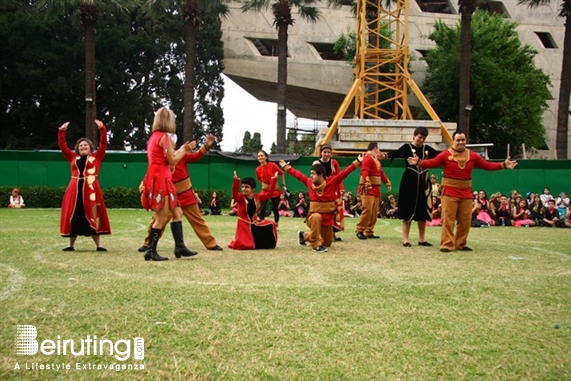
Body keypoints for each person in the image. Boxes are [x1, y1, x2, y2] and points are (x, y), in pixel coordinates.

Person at [407, 131, 517, 252]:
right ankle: (446, 244)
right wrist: (418, 162)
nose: (461, 142)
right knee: (448, 219)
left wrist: (503, 165)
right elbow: (431, 163)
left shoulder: (473, 156)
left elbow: (487, 165)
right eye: (458, 140)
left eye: (463, 140)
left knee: (465, 220)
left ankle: (461, 244)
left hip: (466, 192)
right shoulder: (445, 154)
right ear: (453, 141)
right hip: (449, 192)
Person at [138, 134, 223, 253]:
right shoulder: (160, 157)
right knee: (158, 219)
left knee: (197, 219)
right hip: (168, 193)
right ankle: (149, 244)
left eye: (170, 142)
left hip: (185, 192)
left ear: (174, 144)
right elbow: (153, 172)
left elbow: (196, 156)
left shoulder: (181, 154)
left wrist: (206, 146)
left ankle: (211, 243)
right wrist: (144, 185)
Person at [140, 107, 195, 261]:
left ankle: (180, 246)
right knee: (162, 216)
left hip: (157, 177)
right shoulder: (165, 137)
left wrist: (183, 149)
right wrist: (185, 150)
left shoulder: (153, 137)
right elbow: (173, 161)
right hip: (162, 179)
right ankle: (150, 250)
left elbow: (168, 159)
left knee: (177, 212)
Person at [279, 155, 363, 252]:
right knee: (316, 216)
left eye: (313, 174)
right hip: (314, 218)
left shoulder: (332, 181)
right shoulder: (309, 182)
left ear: (321, 175)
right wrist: (286, 167)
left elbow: (344, 173)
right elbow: (298, 175)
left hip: (327, 219)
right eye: (311, 173)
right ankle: (316, 245)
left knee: (327, 243)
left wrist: (357, 162)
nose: (311, 176)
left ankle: (304, 236)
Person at [58, 120, 111, 251]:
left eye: (85, 145)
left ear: (90, 147)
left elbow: (103, 144)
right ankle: (71, 245)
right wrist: (62, 132)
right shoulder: (72, 158)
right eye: (80, 146)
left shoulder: (97, 157)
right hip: (74, 191)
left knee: (93, 214)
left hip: (91, 191)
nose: (83, 147)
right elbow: (63, 146)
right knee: (74, 215)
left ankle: (99, 245)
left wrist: (102, 129)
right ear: (77, 148)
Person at [384, 127, 440, 246]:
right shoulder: (407, 147)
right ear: (414, 136)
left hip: (424, 182)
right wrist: (383, 155)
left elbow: (440, 155)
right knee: (408, 210)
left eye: (424, 138)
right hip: (409, 181)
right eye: (420, 137)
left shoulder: (426, 149)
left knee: (423, 210)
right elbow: (394, 154)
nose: (421, 140)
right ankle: (405, 240)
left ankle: (422, 239)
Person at [228, 171, 278, 250]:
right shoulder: (241, 198)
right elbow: (234, 194)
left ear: (253, 189)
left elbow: (269, 194)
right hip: (244, 226)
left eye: (247, 187)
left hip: (255, 223)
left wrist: (274, 179)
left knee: (271, 224)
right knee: (247, 245)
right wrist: (236, 180)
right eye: (243, 186)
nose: (244, 189)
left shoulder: (257, 197)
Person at [356, 142, 392, 240]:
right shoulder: (367, 158)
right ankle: (360, 230)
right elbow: (364, 171)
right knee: (367, 210)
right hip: (368, 189)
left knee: (374, 212)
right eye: (378, 148)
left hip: (375, 189)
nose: (379, 151)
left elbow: (380, 172)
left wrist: (387, 181)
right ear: (375, 148)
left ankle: (369, 231)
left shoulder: (375, 160)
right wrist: (367, 181)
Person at [313, 144, 345, 241]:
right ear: (321, 153)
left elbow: (340, 176)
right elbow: (313, 178)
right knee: (320, 213)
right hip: (321, 191)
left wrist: (341, 189)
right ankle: (317, 233)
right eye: (324, 152)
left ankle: (333, 234)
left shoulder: (334, 162)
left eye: (328, 152)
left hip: (333, 191)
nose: (326, 154)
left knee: (334, 212)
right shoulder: (316, 163)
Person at [256, 150, 287, 225]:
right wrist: (265, 186)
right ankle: (261, 222)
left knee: (275, 208)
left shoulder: (272, 165)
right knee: (262, 207)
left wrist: (283, 185)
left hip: (275, 190)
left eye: (262, 155)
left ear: (266, 157)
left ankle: (276, 224)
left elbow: (282, 174)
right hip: (265, 190)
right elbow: (260, 180)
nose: (260, 157)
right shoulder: (258, 169)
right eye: (259, 156)